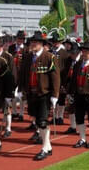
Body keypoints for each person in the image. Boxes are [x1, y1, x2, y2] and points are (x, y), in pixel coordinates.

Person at [19, 31, 60, 161]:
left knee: (42, 121)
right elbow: (23, 74)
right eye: (32, 42)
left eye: (36, 43)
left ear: (42, 44)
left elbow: (55, 77)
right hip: (32, 93)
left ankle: (44, 147)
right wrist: (20, 89)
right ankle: (48, 147)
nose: (33, 45)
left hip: (45, 94)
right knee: (37, 121)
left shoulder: (50, 57)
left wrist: (55, 94)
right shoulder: (27, 57)